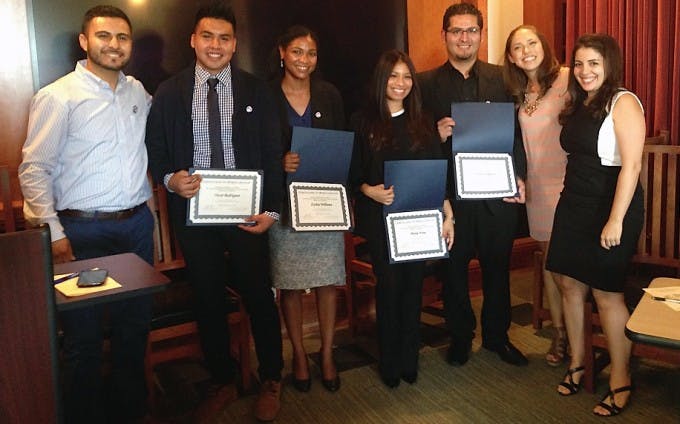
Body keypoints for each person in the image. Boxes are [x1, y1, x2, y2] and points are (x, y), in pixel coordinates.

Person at [145, 2, 284, 421]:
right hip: (195, 215)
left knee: (258, 294)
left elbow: (273, 153)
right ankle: (223, 380)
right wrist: (170, 179)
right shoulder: (169, 92)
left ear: (235, 44)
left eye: (224, 38)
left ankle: (271, 378)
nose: (215, 45)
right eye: (207, 36)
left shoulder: (256, 91)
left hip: (247, 214)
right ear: (193, 40)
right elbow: (156, 150)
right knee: (207, 297)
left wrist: (273, 211)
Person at [18, 5, 154, 422]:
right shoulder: (58, 96)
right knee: (83, 338)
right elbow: (34, 170)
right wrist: (55, 234)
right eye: (104, 36)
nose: (114, 45)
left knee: (135, 330)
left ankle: (130, 413)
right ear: (84, 41)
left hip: (135, 227)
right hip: (80, 232)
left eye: (122, 37)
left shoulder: (138, 93)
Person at [418, 3, 529, 367]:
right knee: (454, 271)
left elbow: (518, 135)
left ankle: (498, 336)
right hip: (450, 198)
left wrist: (521, 175)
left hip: (498, 193)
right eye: (456, 31)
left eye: (471, 30)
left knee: (498, 268)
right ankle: (461, 336)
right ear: (445, 35)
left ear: (481, 34)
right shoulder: (424, 84)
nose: (464, 37)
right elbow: (412, 141)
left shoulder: (505, 79)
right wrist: (434, 134)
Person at [546, 33, 644, 417]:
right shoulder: (580, 102)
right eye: (581, 63)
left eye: (594, 64)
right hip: (574, 202)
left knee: (606, 293)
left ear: (609, 66)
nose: (585, 71)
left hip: (610, 203)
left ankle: (621, 378)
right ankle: (578, 362)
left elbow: (632, 166)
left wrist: (616, 219)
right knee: (568, 281)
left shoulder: (624, 102)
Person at [350, 49, 455, 388]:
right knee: (390, 288)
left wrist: (447, 213)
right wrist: (369, 190)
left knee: (413, 288)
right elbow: (351, 174)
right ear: (382, 80)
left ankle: (410, 358)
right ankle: (390, 360)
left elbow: (438, 172)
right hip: (380, 219)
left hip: (418, 220)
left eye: (407, 76)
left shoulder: (423, 120)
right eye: (394, 76)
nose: (401, 83)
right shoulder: (361, 121)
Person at [268, 25, 345, 393]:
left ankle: (327, 353)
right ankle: (299, 354)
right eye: (297, 51)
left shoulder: (329, 94)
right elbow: (251, 147)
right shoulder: (264, 94)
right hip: (283, 206)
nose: (304, 60)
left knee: (329, 281)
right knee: (291, 285)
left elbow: (343, 147)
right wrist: (276, 161)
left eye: (311, 53)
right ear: (282, 52)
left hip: (324, 204)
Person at [503, 25, 569, 366]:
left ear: (543, 44)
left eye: (531, 42)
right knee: (550, 263)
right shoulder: (518, 92)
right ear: (511, 56)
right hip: (537, 189)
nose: (526, 50)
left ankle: (578, 335)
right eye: (518, 46)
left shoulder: (569, 79)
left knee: (568, 267)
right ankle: (560, 335)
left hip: (571, 186)